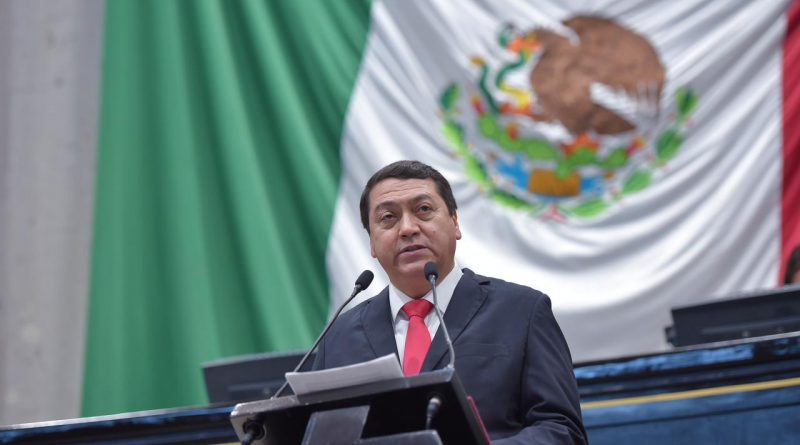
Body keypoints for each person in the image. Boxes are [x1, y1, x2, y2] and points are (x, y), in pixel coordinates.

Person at [313, 160, 587, 444]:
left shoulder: (522, 312)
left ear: (455, 222)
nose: (408, 228)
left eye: (423, 210)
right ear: (371, 242)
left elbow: (563, 431)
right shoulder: (338, 337)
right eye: (388, 217)